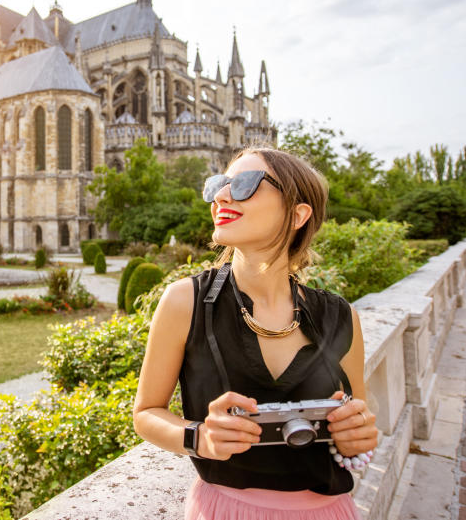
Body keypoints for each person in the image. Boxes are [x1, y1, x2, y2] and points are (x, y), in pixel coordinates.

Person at [133, 148, 379, 519]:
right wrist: (199, 437)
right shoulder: (185, 301)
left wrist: (356, 438)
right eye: (218, 185)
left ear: (298, 214)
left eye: (245, 184)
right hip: (225, 511)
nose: (222, 196)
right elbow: (147, 413)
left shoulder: (341, 316)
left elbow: (356, 426)